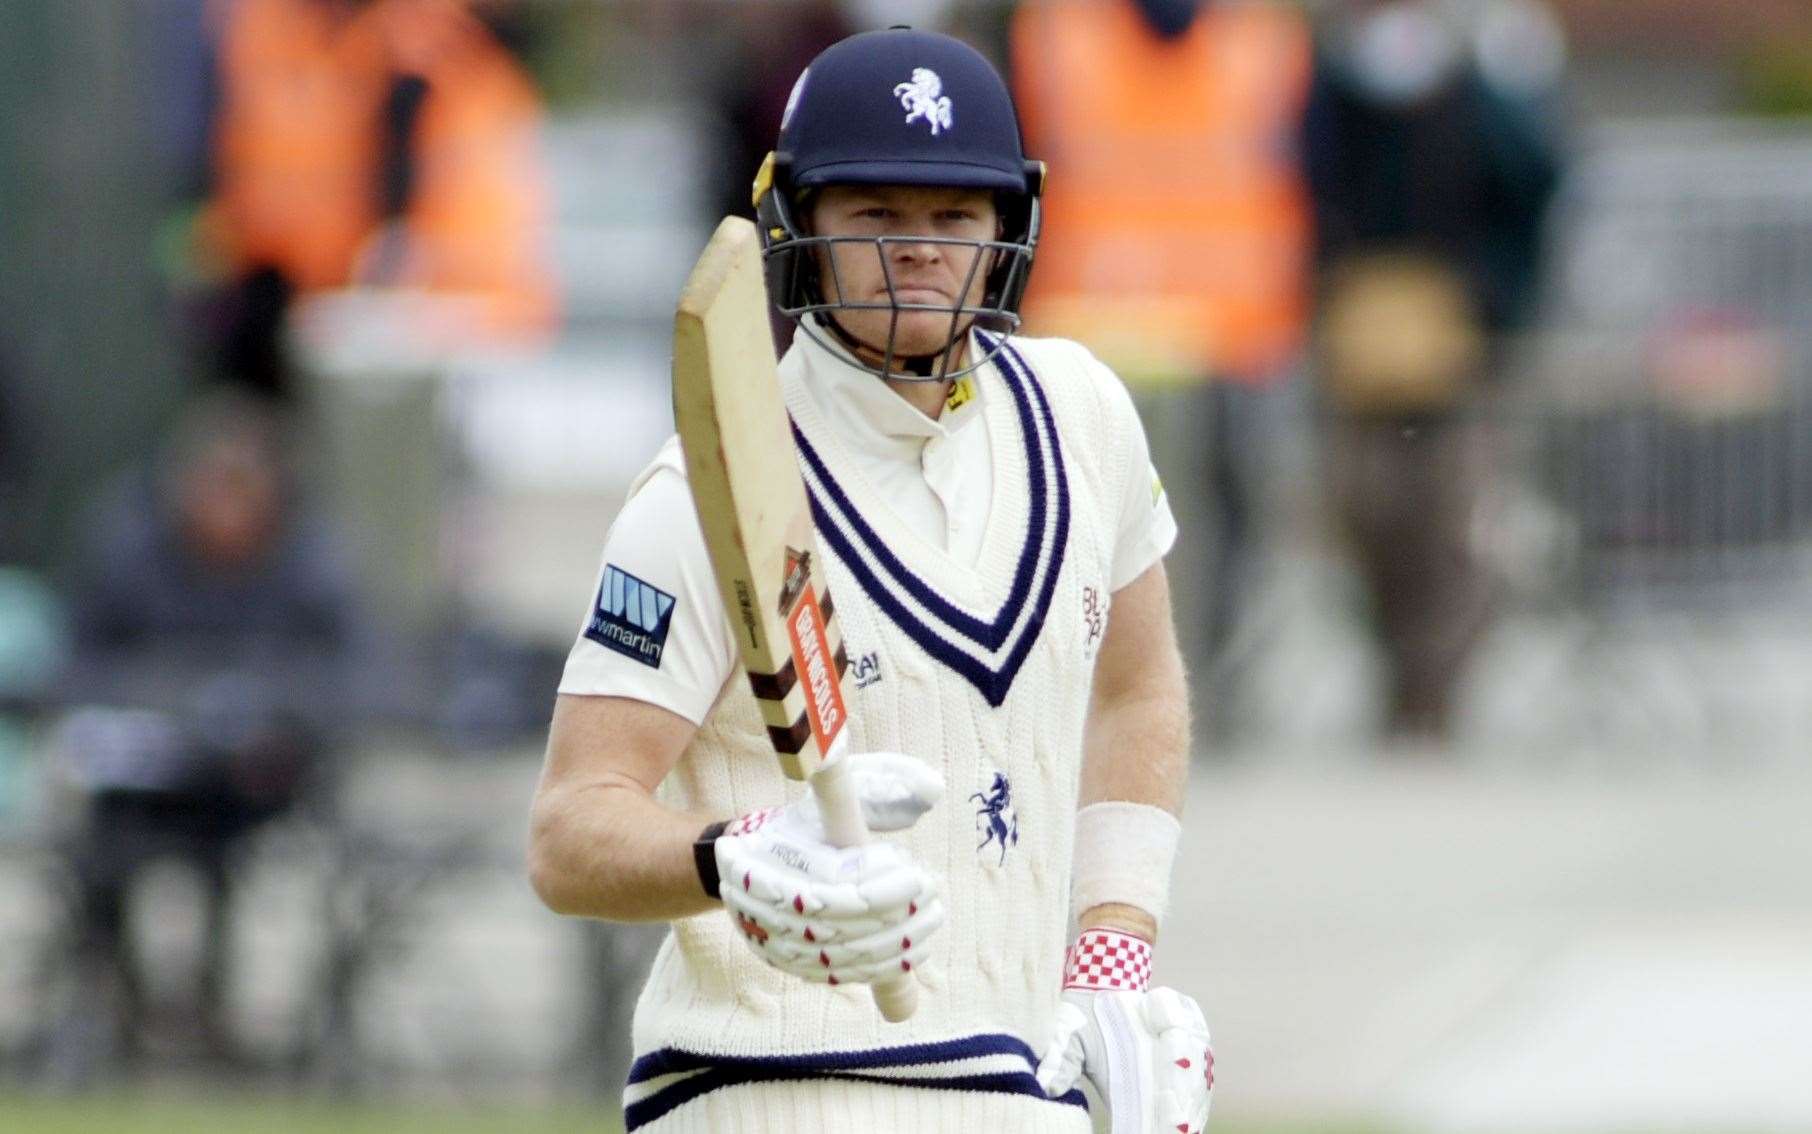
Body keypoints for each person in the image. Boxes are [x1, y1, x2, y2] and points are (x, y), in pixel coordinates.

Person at [530, 28, 1212, 1134]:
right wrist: (740, 857)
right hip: (762, 1087)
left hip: (1017, 1086)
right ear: (800, 222)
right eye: (876, 217)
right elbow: (568, 834)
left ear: (1007, 227)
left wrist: (1110, 961)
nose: (919, 253)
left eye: (953, 217)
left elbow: (1136, 687)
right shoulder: (704, 489)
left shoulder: (1083, 416)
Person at [1010, 0, 1314, 735]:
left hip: (1231, 337)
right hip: (1093, 335)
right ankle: (1078, 694)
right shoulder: (1054, 34)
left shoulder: (1265, 39)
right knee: (1083, 532)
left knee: (1227, 530)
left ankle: (1214, 695)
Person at [54, 393, 363, 1072]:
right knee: (92, 852)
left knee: (236, 857)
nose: (223, 509)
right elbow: (79, 664)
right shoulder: (128, 545)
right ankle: (115, 1012)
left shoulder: (308, 559)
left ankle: (219, 1018)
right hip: (140, 782)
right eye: (209, 488)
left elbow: (342, 677)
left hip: (255, 787)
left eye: (242, 490)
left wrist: (280, 725)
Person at [1303, 0, 1562, 741]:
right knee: (1365, 509)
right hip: (1359, 338)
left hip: (1461, 342)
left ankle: (1434, 692)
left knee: (1455, 522)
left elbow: (1531, 183)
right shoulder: (1334, 82)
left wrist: (1495, 298)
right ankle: (1396, 673)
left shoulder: (1487, 81)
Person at [192, 0, 558, 398]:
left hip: (422, 349)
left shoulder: (443, 62)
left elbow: (486, 262)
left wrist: (409, 258)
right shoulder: (270, 32)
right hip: (287, 319)